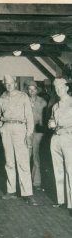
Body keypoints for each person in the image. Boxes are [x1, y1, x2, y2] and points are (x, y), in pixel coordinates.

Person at [0, 74, 37, 205]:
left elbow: (29, 116)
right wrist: (1, 127)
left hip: (20, 128)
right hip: (7, 128)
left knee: (23, 162)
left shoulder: (23, 96)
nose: (9, 85)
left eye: (11, 83)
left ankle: (27, 194)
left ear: (15, 83)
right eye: (6, 84)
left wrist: (29, 134)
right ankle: (11, 191)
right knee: (9, 162)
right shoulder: (2, 98)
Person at [49, 78, 72, 217]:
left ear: (67, 88)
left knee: (71, 170)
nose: (58, 90)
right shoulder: (55, 106)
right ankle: (61, 200)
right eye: (56, 88)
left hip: (69, 138)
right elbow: (52, 120)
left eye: (61, 87)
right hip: (56, 138)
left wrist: (68, 130)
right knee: (57, 170)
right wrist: (51, 124)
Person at [27, 80, 47, 190]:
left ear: (37, 90)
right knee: (26, 156)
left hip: (38, 131)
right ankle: (25, 182)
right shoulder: (24, 101)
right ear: (27, 90)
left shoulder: (42, 101)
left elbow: (45, 118)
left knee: (36, 157)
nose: (32, 91)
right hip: (27, 131)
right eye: (30, 89)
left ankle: (36, 182)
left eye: (34, 89)